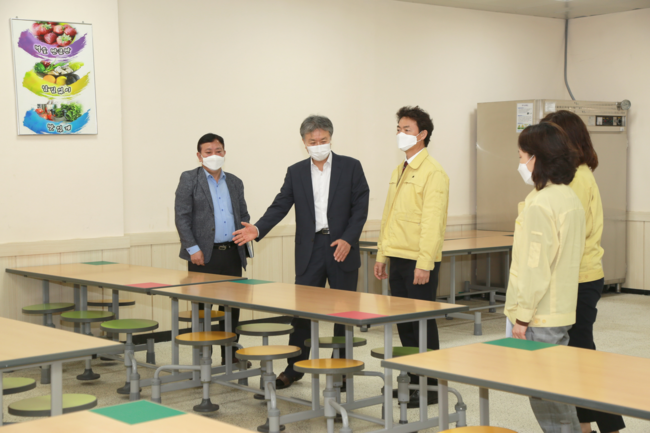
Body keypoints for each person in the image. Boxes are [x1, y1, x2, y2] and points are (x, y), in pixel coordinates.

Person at [233, 115, 369, 390]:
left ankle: (341, 369)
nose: (318, 145)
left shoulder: (351, 166)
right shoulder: (296, 172)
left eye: (323, 140)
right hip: (310, 249)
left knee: (344, 313)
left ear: (330, 139)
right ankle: (294, 368)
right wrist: (258, 228)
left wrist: (348, 239)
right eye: (312, 141)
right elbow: (280, 205)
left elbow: (361, 207)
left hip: (341, 247)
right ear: (304, 143)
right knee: (302, 312)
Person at [542, 110, 625, 433]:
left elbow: (566, 236)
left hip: (577, 277)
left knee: (579, 355)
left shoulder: (575, 178)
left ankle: (597, 425)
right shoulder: (578, 173)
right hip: (580, 274)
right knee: (581, 353)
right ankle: (598, 425)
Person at [505, 122, 585, 433]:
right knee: (557, 389)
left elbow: (534, 267)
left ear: (536, 158)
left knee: (547, 396)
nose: (520, 164)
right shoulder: (568, 197)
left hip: (539, 313)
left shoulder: (541, 203)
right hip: (560, 308)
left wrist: (522, 317)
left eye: (521, 156)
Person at [373, 106, 449, 408]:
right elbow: (389, 216)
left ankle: (431, 386)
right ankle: (413, 381)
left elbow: (433, 223)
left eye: (406, 129)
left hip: (419, 261)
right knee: (404, 323)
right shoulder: (400, 169)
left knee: (422, 324)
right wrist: (382, 254)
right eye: (398, 129)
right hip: (397, 256)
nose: (400, 134)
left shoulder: (434, 172)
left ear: (422, 134)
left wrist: (424, 263)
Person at [175, 133, 250, 364]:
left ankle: (230, 355)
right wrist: (192, 249)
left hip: (232, 253)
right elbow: (182, 217)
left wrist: (245, 234)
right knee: (202, 308)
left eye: (218, 151)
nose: (214, 155)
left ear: (224, 153)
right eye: (208, 152)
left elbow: (243, 214)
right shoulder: (189, 178)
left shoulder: (235, 181)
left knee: (231, 308)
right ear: (199, 156)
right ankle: (202, 358)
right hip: (202, 256)